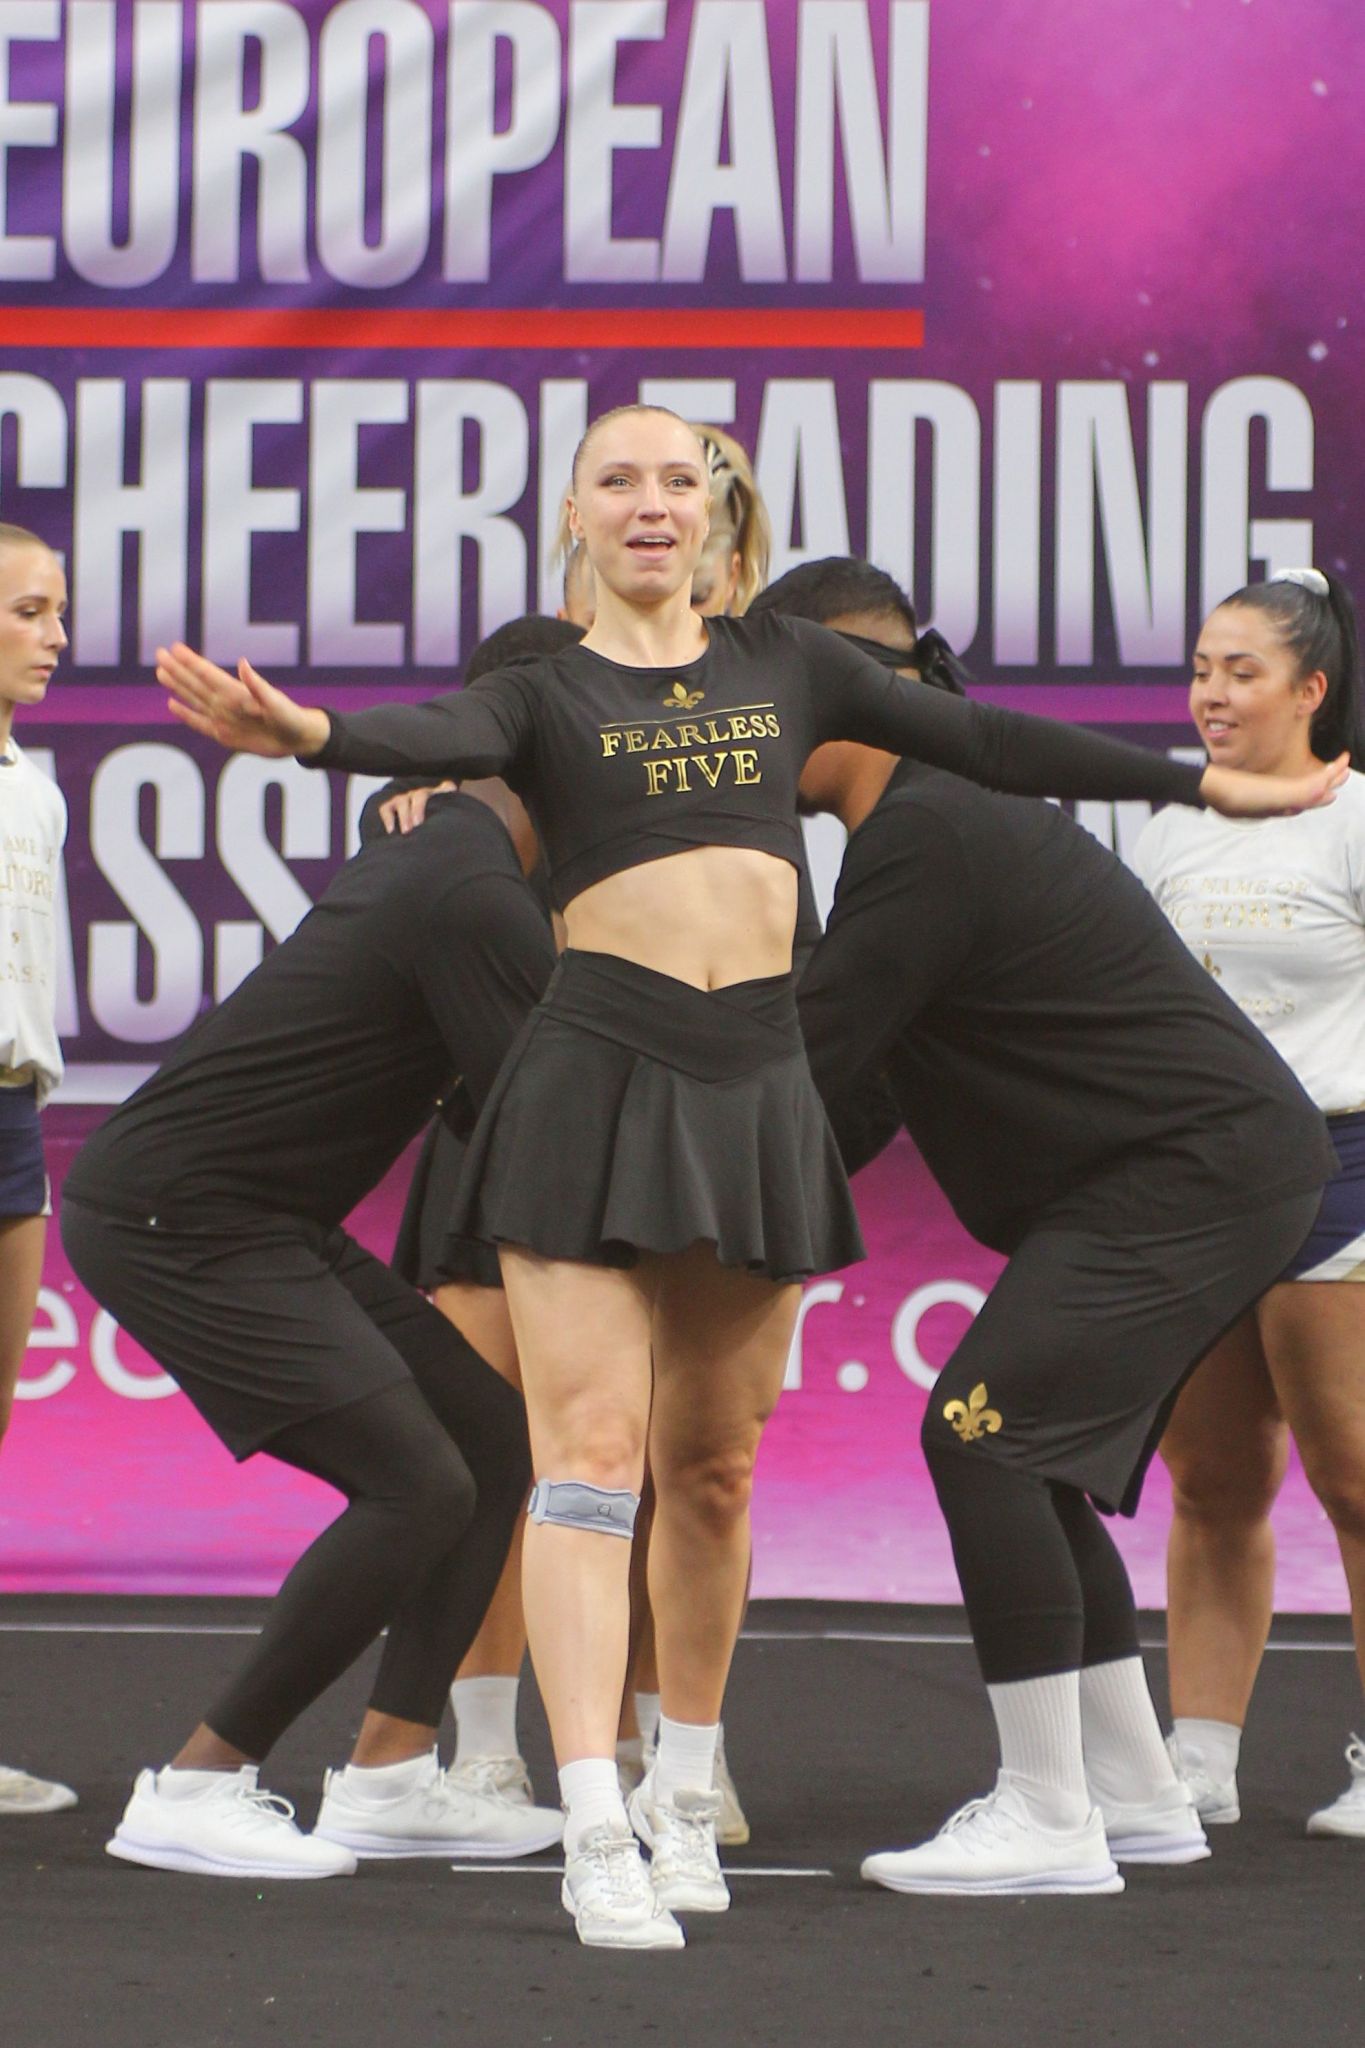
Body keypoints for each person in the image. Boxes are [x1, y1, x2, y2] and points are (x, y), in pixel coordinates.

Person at [155, 404, 1344, 1947]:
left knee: (757, 1466)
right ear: (574, 515)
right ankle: (607, 1818)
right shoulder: (561, 696)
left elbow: (973, 765)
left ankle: (722, 1793)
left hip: (804, 1104)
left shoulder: (814, 697)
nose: (651, 500)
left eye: (680, 479)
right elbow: (442, 735)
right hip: (617, 1081)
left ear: (721, 527)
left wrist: (1197, 789)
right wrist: (316, 738)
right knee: (606, 1463)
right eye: (617, 479)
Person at [769, 555, 1338, 1896]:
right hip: (1191, 1174)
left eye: (764, 699)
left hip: (1187, 1175)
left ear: (839, 693)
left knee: (977, 1435)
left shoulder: (930, 833)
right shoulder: (928, 825)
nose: (749, 736)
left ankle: (1045, 1810)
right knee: (1020, 1452)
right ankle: (1136, 1795)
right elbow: (858, 1092)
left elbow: (801, 1063)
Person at [61, 739, 568, 1878]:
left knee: (492, 1439)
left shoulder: (435, 842)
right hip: (180, 1215)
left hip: (259, 1212)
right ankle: (195, 1784)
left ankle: (389, 1777)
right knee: (419, 1484)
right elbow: (543, 1119)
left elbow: (489, 1093)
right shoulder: (473, 889)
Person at [1132, 567, 1365, 1838]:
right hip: (1203, 1177)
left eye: (1242, 671)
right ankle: (1201, 1759)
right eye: (1201, 670)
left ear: (1310, 689)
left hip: (1341, 1167)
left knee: (1357, 1479)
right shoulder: (1173, 822)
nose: (1212, 694)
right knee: (1214, 1479)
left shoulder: (1356, 821)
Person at [0, 521, 78, 1818]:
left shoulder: (35, 787)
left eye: (58, 610)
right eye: (28, 610)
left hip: (13, 1119)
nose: (56, 636)